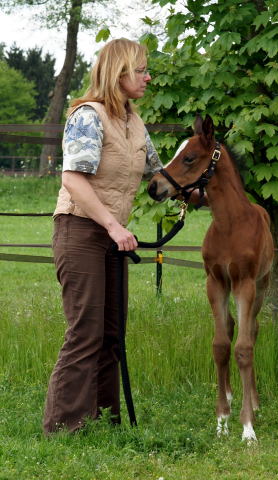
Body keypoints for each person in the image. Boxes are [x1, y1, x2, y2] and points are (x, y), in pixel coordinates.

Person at [43, 38, 163, 435]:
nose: (147, 77)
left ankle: (105, 421)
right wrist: (113, 225)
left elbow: (159, 176)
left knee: (112, 333)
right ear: (119, 73)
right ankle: (63, 428)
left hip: (112, 237)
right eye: (141, 70)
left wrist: (201, 189)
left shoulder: (134, 122)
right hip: (80, 230)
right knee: (86, 331)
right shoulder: (87, 116)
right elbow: (73, 179)